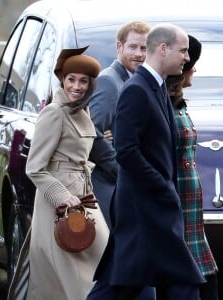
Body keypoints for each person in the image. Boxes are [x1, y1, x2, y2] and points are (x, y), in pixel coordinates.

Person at [88, 23, 205, 300]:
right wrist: (162, 187)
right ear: (163, 49)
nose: (187, 58)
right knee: (184, 278)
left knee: (121, 283)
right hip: (144, 207)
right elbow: (127, 152)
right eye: (184, 51)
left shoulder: (157, 88)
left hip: (150, 206)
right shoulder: (136, 90)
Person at [22, 46, 109, 300]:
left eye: (84, 81)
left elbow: (79, 149)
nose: (77, 86)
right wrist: (61, 196)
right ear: (63, 79)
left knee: (99, 263)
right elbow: (34, 167)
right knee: (68, 275)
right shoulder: (53, 112)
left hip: (83, 197)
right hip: (59, 204)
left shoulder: (82, 110)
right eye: (71, 79)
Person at [165, 35, 219, 300]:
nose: (194, 68)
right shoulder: (161, 102)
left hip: (191, 207)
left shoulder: (178, 103)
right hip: (177, 200)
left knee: (205, 280)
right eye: (190, 63)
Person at [89, 20, 151, 229]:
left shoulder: (135, 80)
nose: (139, 54)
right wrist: (120, 170)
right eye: (133, 47)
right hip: (108, 184)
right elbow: (92, 132)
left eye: (144, 48)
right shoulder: (109, 81)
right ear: (119, 47)